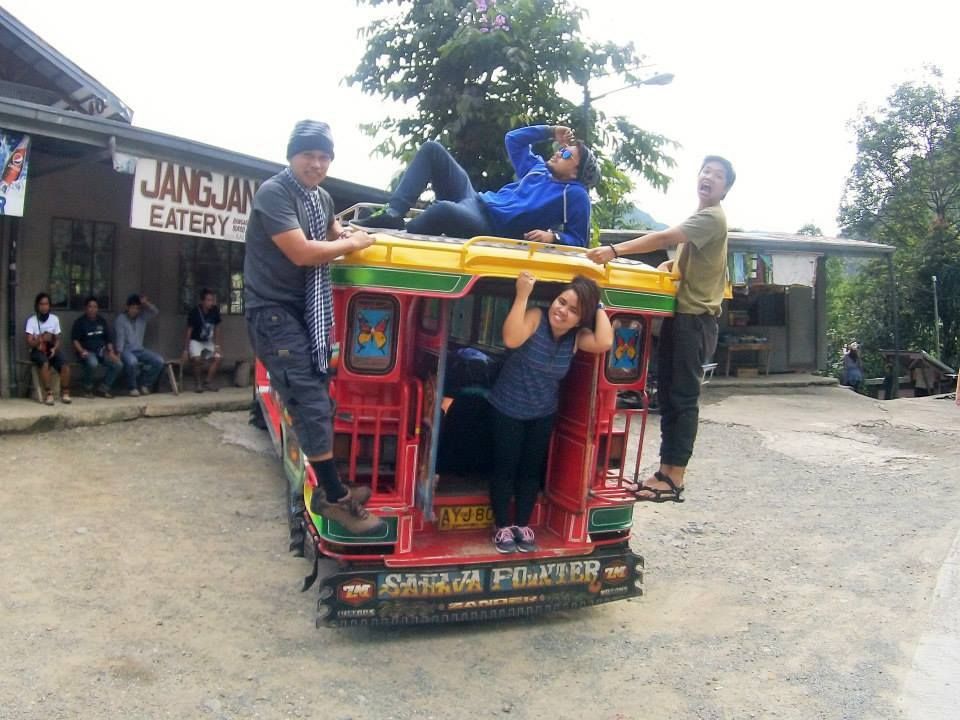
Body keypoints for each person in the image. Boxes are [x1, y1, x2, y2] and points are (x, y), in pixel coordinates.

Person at [244, 119, 384, 535]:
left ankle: (331, 487)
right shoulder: (275, 193)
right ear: (292, 156)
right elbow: (304, 252)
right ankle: (334, 497)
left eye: (325, 157)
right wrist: (350, 244)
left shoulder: (320, 198)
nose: (318, 163)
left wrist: (353, 235)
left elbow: (333, 231)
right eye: (310, 155)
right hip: (272, 312)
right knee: (308, 397)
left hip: (305, 313)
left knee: (320, 398)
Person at [587, 155, 736, 503]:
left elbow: (664, 237)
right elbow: (687, 260)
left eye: (717, 175)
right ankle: (664, 471)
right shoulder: (701, 219)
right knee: (667, 394)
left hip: (695, 319)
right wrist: (671, 264)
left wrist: (614, 249)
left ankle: (675, 477)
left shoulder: (711, 217)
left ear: (725, 188)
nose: (708, 177)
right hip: (683, 316)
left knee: (682, 397)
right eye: (705, 171)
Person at [486, 272, 613, 553]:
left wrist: (599, 305)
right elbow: (510, 338)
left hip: (542, 411)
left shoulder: (577, 338)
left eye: (573, 310)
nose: (562, 310)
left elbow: (604, 342)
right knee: (506, 467)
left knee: (531, 470)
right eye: (561, 301)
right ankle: (502, 526)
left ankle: (522, 524)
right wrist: (522, 294)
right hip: (507, 406)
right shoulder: (536, 316)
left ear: (581, 319)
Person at [352, 125, 601, 247]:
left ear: (576, 173)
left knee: (443, 211)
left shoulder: (575, 194)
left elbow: (580, 240)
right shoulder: (538, 170)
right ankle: (394, 214)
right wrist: (549, 131)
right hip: (477, 200)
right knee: (432, 150)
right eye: (561, 149)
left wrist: (553, 236)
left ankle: (400, 240)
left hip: (491, 226)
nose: (559, 153)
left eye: (567, 155)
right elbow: (513, 140)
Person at [71, 296, 123, 398]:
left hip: (102, 351)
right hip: (87, 351)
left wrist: (111, 352)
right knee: (92, 363)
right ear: (85, 308)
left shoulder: (101, 321)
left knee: (118, 364)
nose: (92, 309)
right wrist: (81, 351)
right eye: (90, 307)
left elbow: (108, 339)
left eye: (95, 307)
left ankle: (103, 389)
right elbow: (75, 340)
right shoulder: (80, 322)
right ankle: (87, 388)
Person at [25, 292, 71, 405]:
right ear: (37, 306)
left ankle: (65, 392)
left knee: (64, 364)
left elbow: (58, 339)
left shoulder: (54, 319)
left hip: (51, 349)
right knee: (45, 363)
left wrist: (54, 349)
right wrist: (40, 339)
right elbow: (29, 342)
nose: (44, 307)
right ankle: (48, 393)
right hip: (37, 350)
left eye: (46, 304)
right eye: (41, 304)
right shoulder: (31, 321)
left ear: (49, 305)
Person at [115, 293, 165, 397]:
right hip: (126, 350)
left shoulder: (142, 318)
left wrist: (146, 303)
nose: (134, 311)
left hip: (139, 349)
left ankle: (144, 384)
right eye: (132, 308)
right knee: (132, 362)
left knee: (159, 361)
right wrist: (119, 353)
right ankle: (132, 387)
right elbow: (120, 337)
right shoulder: (121, 319)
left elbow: (155, 311)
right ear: (127, 307)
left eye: (137, 308)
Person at [182, 288, 223, 393]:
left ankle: (208, 382)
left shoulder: (214, 310)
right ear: (202, 301)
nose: (211, 303)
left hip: (208, 340)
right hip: (196, 340)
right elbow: (189, 331)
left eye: (212, 300)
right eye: (208, 300)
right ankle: (198, 384)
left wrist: (217, 345)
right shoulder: (194, 312)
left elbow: (217, 327)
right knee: (197, 360)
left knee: (218, 358)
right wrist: (186, 350)